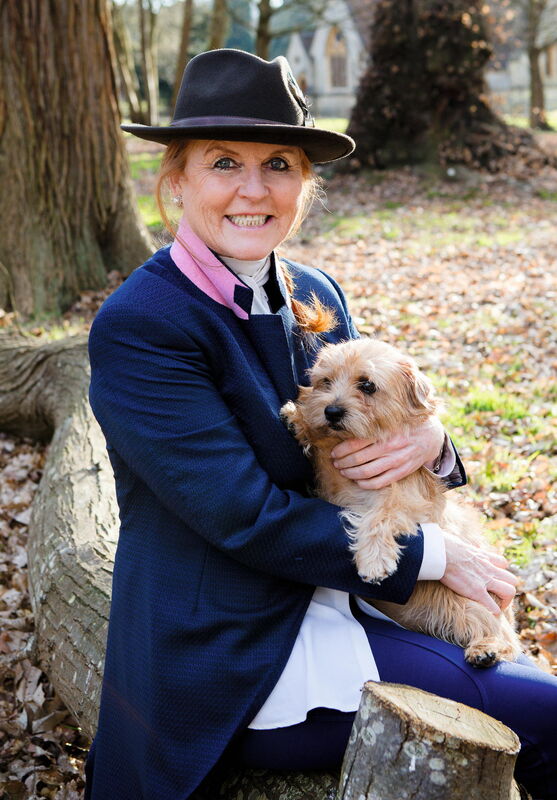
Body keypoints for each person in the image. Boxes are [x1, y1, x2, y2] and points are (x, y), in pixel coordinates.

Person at [85, 49, 557, 800]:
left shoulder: (313, 289)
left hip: (349, 594)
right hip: (241, 644)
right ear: (174, 179)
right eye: (222, 162)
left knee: (524, 676)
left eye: (278, 162)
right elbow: (243, 516)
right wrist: (430, 557)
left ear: (304, 186)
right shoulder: (142, 325)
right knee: (547, 713)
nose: (252, 188)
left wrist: (434, 446)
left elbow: (379, 413)